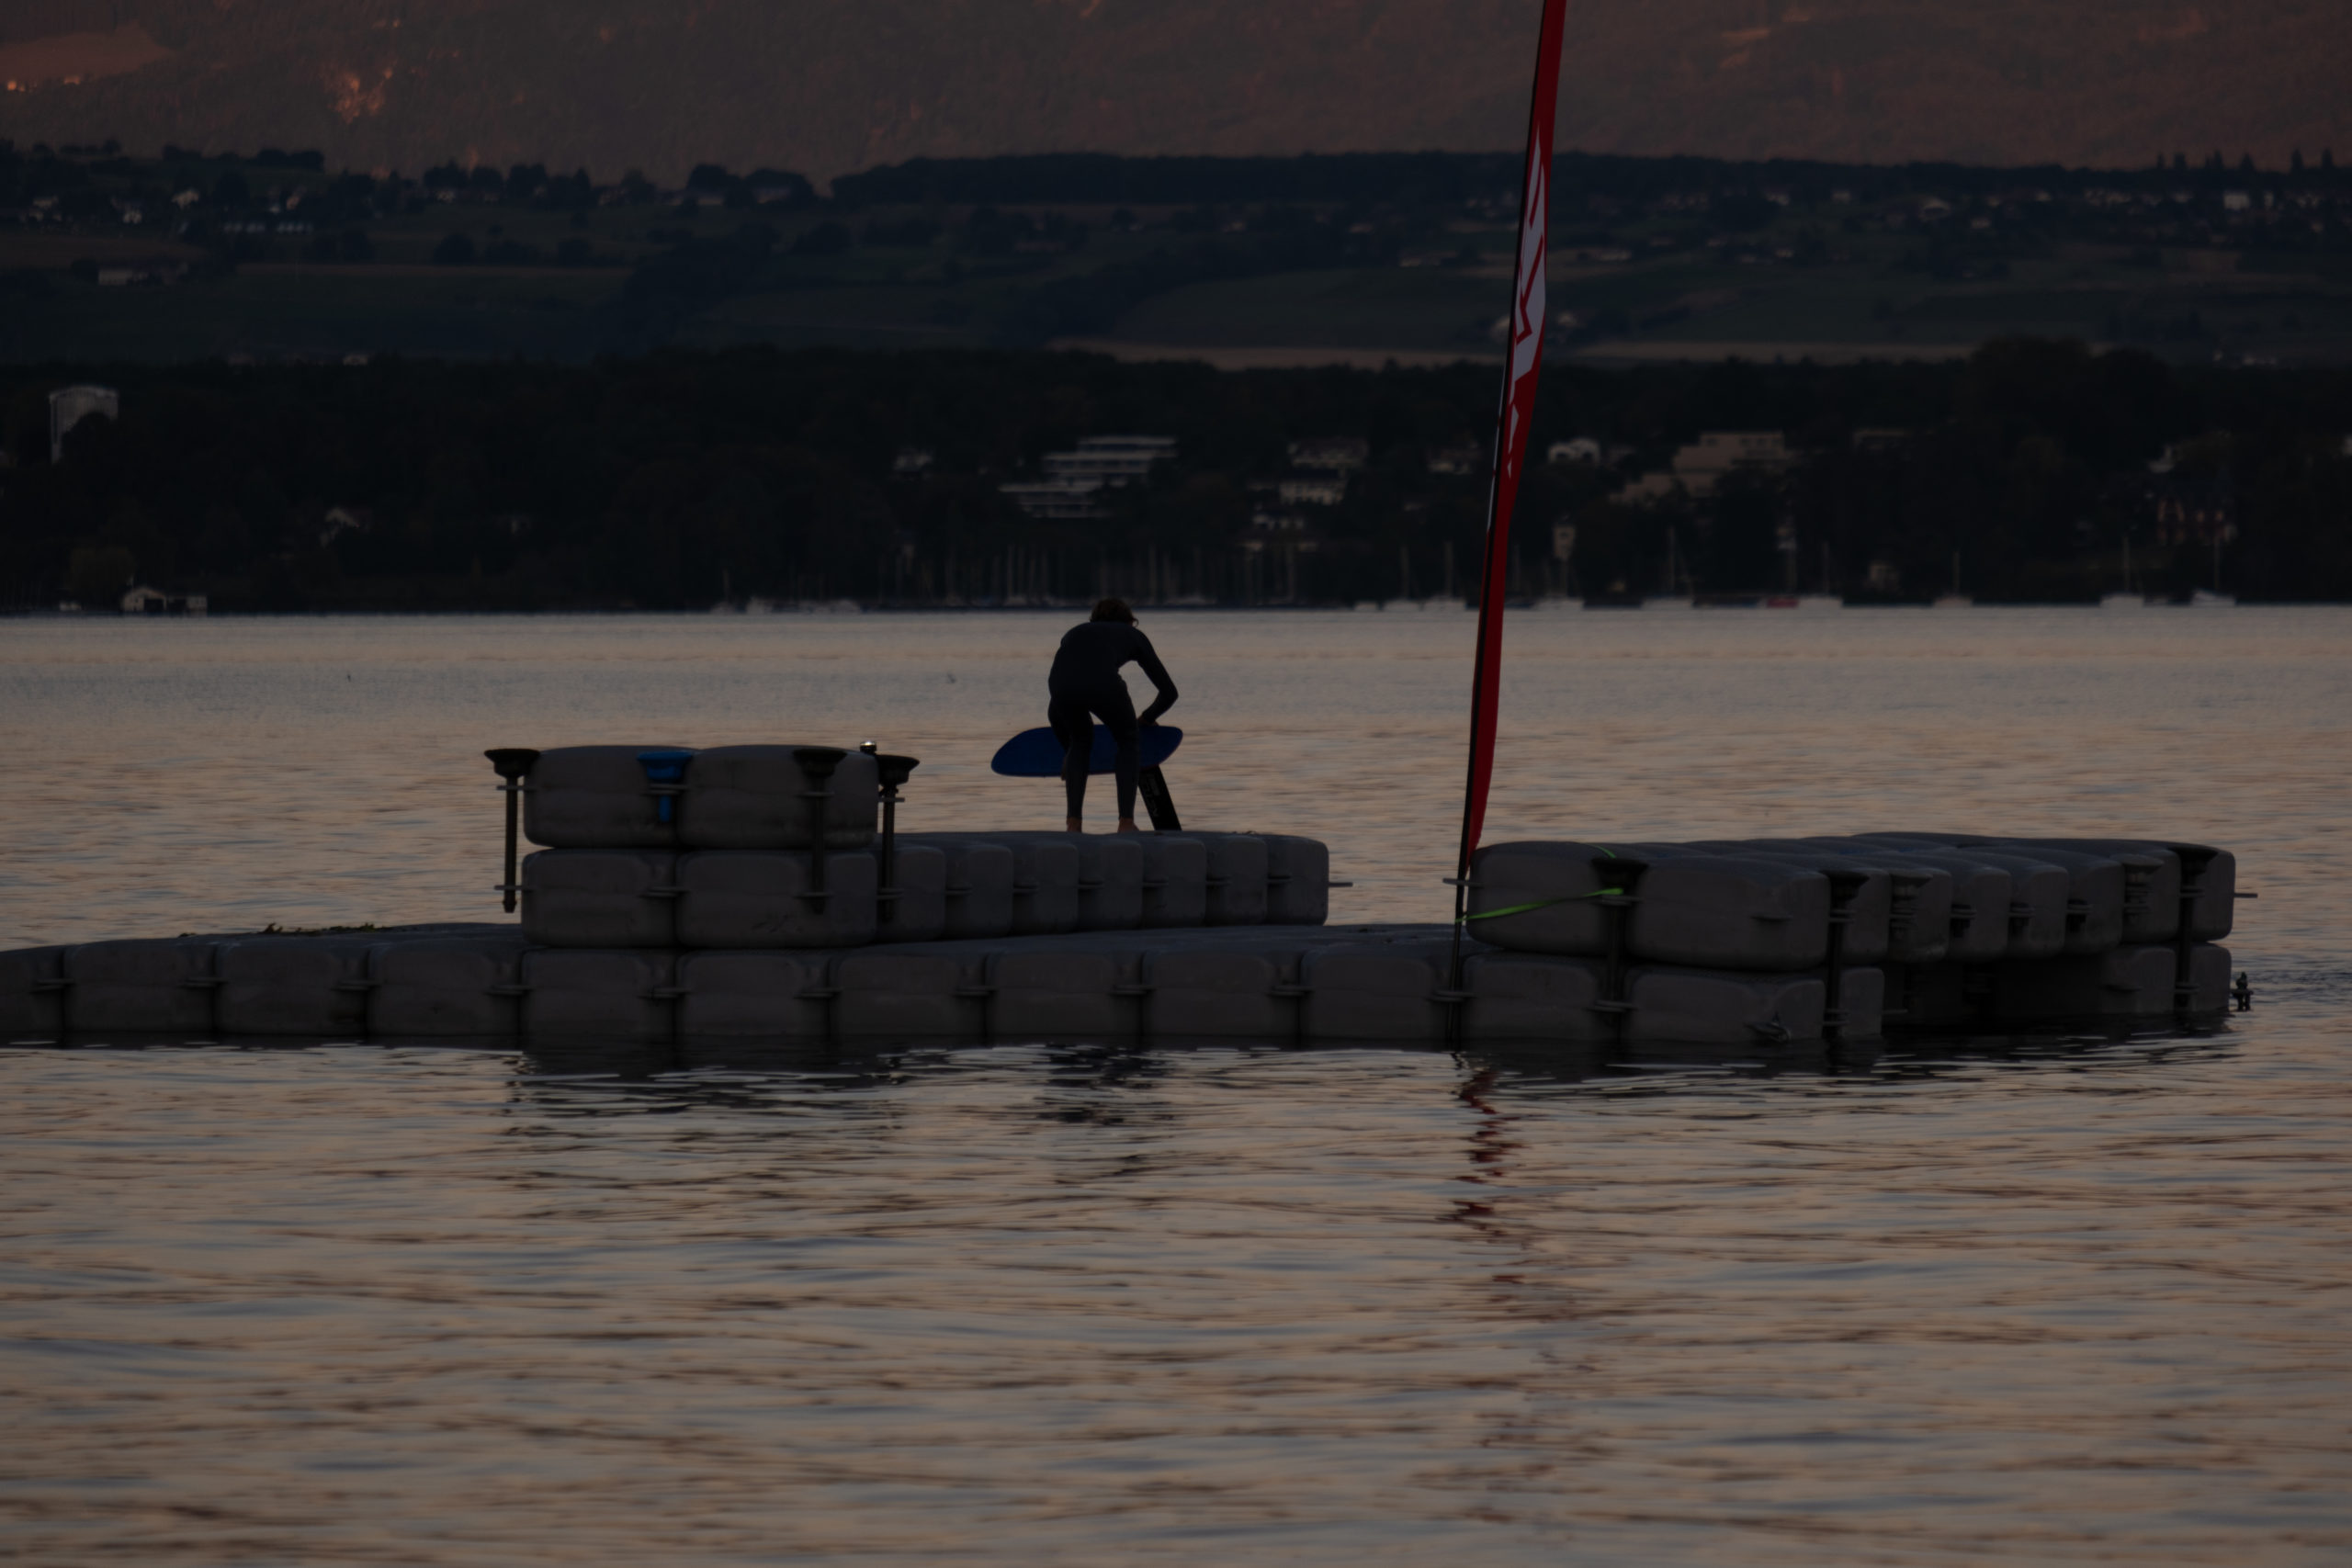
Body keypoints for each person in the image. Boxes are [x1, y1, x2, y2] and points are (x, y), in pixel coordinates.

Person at [1047, 598, 1178, 832]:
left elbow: (1055, 708)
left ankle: (1073, 824)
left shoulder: (1074, 633)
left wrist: (1067, 749)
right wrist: (1146, 718)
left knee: (1080, 741)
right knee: (1128, 740)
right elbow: (1169, 693)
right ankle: (1126, 822)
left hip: (1058, 686)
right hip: (1103, 685)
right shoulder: (1133, 635)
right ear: (1129, 621)